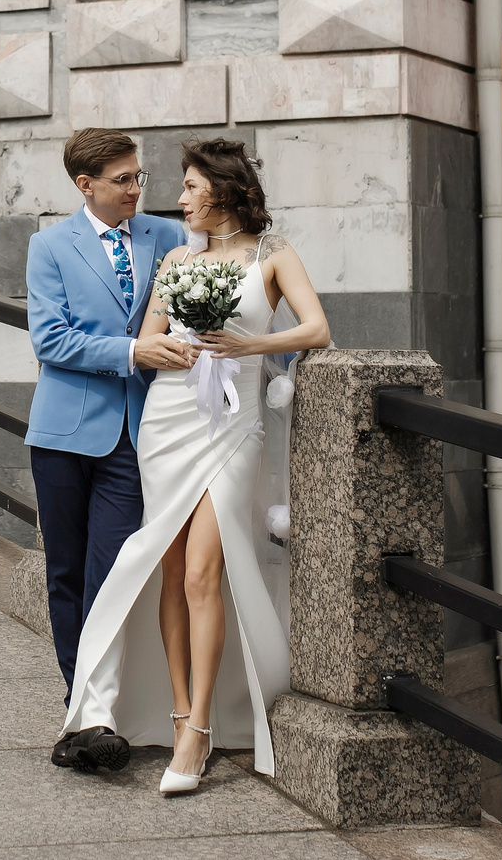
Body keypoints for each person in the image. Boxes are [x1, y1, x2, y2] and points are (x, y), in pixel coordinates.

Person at [62, 138, 332, 794]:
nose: (178, 199)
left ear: (221, 189)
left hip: (233, 425)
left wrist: (251, 344)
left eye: (188, 187)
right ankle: (179, 706)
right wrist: (173, 348)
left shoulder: (273, 255)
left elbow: (316, 329)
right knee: (173, 569)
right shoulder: (179, 260)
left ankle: (201, 726)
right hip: (170, 419)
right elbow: (151, 336)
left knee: (206, 570)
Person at [25, 129, 195, 775]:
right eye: (122, 180)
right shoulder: (49, 247)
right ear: (85, 185)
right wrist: (131, 352)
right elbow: (52, 341)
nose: (135, 190)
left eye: (138, 178)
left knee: (114, 576)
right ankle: (85, 713)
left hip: (137, 436)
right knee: (66, 575)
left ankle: (99, 711)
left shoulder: (167, 239)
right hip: (65, 434)